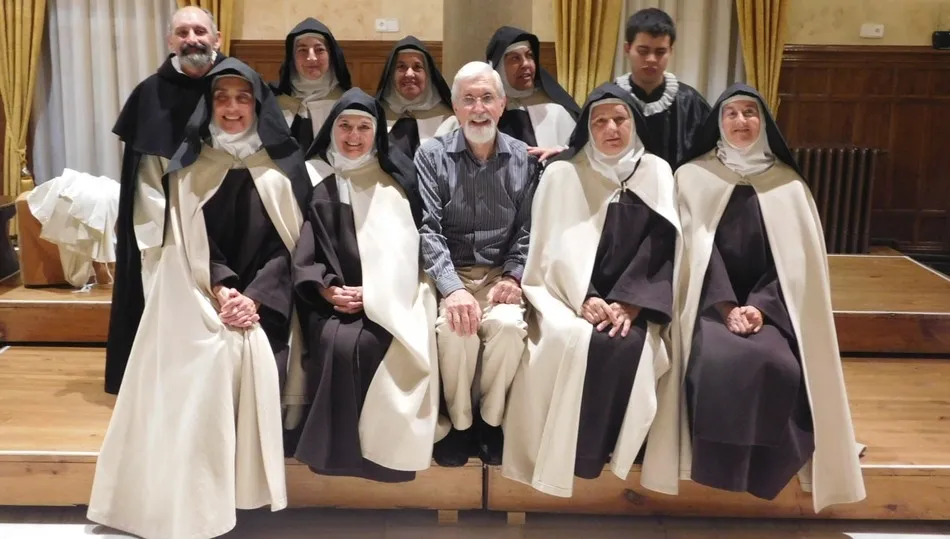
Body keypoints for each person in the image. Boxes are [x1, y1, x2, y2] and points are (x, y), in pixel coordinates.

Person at [86, 59, 309, 539]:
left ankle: (243, 493)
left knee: (246, 352)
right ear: (209, 106)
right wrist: (224, 289)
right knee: (211, 355)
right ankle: (199, 498)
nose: (231, 108)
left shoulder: (284, 168)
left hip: (272, 301)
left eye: (242, 98)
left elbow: (290, 248)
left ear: (258, 105)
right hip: (203, 292)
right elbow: (191, 246)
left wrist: (254, 300)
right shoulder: (189, 171)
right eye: (221, 98)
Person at [674, 84, 866, 511]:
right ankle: (718, 472)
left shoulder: (789, 185)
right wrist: (726, 306)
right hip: (709, 304)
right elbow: (692, 253)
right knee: (721, 361)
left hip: (772, 307)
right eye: (731, 114)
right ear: (718, 123)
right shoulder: (691, 178)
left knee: (777, 363)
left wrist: (759, 308)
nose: (741, 122)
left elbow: (795, 267)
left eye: (750, 113)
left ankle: (762, 473)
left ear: (765, 122)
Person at [502, 83, 682, 497]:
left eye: (620, 119)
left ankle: (610, 455)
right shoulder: (564, 172)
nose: (611, 128)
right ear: (587, 128)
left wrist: (631, 303)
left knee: (629, 347)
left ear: (634, 124)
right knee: (573, 342)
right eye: (599, 121)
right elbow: (547, 251)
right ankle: (568, 458)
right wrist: (582, 298)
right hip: (567, 299)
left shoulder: (655, 172)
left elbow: (662, 247)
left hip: (633, 301)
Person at [289, 88, 441, 483]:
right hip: (330, 298)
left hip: (389, 300)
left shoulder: (394, 183)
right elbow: (305, 246)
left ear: (377, 134)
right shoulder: (315, 178)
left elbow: (406, 255)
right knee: (332, 342)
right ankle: (334, 456)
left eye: (363, 127)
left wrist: (372, 295)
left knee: (369, 344)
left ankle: (381, 458)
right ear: (331, 130)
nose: (353, 136)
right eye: (344, 126)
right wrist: (324, 289)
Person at [416, 61, 539, 466]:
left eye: (487, 97)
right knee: (455, 331)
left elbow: (527, 229)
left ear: (502, 105)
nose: (479, 108)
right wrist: (451, 290)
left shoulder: (523, 158)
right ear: (455, 107)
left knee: (507, 328)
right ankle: (462, 425)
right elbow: (428, 229)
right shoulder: (431, 156)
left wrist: (513, 275)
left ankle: (491, 422)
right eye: (468, 99)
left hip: (500, 275)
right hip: (449, 274)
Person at [105, 5, 227, 395]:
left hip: (226, 217)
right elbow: (143, 179)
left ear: (216, 39)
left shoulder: (237, 86)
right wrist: (153, 243)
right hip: (166, 224)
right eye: (182, 32)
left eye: (200, 31)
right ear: (170, 42)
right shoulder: (149, 93)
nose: (192, 39)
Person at [614, 8, 709, 166]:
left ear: (670, 51)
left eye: (660, 52)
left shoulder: (691, 103)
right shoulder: (607, 100)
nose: (651, 59)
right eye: (643, 51)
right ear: (627, 49)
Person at [272, 18, 353, 152]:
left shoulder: (347, 103)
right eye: (302, 50)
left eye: (319, 50)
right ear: (292, 58)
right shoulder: (275, 101)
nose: (311, 58)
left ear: (331, 56)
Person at [375, 36, 454, 160]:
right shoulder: (374, 117)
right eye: (401, 67)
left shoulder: (450, 120)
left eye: (417, 67)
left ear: (428, 75)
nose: (409, 74)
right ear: (391, 75)